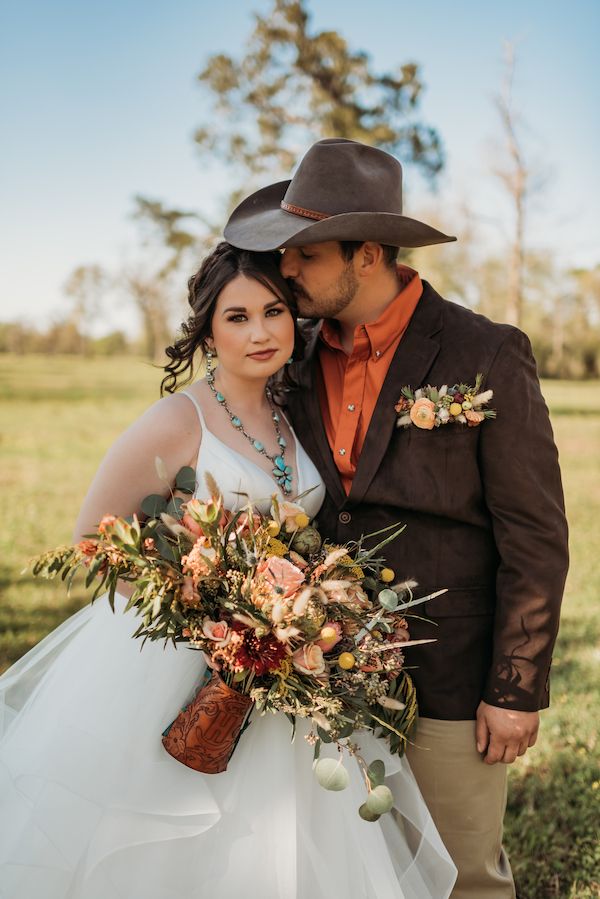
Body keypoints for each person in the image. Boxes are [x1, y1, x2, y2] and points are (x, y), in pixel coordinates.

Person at [0, 242, 457, 898]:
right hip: (177, 668)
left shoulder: (291, 413)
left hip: (282, 673)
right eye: (237, 316)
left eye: (274, 311)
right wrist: (208, 615)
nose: (261, 331)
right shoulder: (175, 420)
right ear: (208, 328)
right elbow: (91, 541)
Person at [224, 138, 570, 898]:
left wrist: (515, 685)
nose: (286, 269)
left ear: (369, 252)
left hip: (450, 678)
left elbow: (537, 537)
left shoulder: (487, 352)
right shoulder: (291, 355)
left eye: (304, 254)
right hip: (321, 677)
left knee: (463, 876)